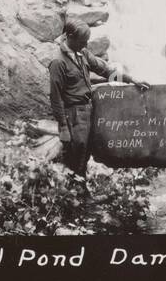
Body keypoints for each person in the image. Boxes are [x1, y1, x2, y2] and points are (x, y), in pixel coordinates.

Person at [48, 19, 149, 177]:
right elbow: (55, 98)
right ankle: (75, 193)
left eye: (86, 42)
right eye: (82, 41)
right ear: (69, 37)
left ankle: (79, 190)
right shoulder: (58, 62)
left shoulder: (82, 52)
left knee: (85, 152)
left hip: (88, 110)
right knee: (76, 155)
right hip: (73, 113)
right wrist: (63, 128)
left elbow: (105, 71)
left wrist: (132, 80)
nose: (85, 45)